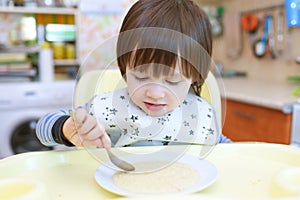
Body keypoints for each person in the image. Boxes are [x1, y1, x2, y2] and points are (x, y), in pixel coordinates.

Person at [36, 0, 231, 150]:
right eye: (141, 77)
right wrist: (66, 129)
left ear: (194, 76)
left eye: (172, 80)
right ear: (125, 67)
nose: (155, 93)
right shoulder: (109, 108)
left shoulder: (200, 114)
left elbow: (229, 151)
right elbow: (43, 127)